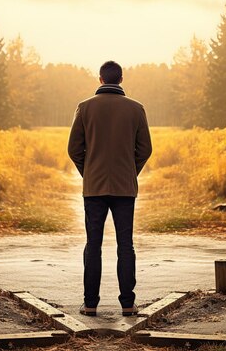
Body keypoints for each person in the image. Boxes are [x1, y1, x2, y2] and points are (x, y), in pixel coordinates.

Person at [68, 60, 152, 317]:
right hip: (125, 189)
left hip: (93, 189)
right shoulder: (136, 109)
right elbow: (145, 149)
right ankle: (128, 304)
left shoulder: (85, 108)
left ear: (101, 79)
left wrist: (89, 172)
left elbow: (74, 150)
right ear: (121, 79)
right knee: (125, 245)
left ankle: (90, 304)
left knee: (93, 244)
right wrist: (129, 172)